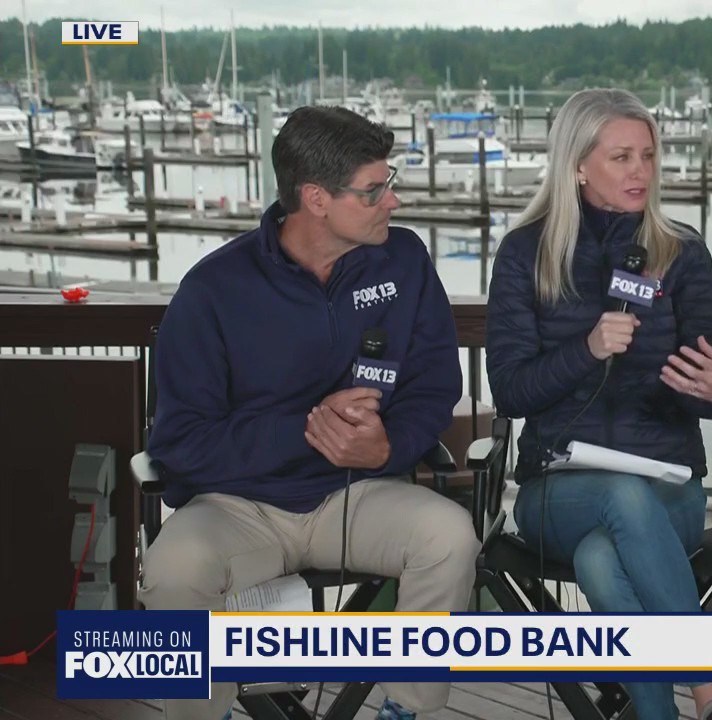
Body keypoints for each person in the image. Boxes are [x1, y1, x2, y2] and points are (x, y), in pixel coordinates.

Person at [140, 106, 480, 720]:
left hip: (359, 493)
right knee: (172, 569)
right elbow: (181, 442)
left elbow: (434, 385)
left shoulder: (404, 261)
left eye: (389, 182)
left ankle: (407, 709)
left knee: (449, 536)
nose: (393, 201)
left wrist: (387, 445)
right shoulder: (213, 289)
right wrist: (307, 429)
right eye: (373, 190)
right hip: (236, 507)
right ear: (316, 198)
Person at [485, 88, 712, 720]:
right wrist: (588, 349)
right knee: (618, 500)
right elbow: (511, 392)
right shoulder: (525, 253)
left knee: (602, 561)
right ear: (577, 164)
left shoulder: (681, 251)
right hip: (556, 490)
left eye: (648, 156)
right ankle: (708, 689)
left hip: (669, 488)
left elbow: (710, 388)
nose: (640, 171)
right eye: (621, 157)